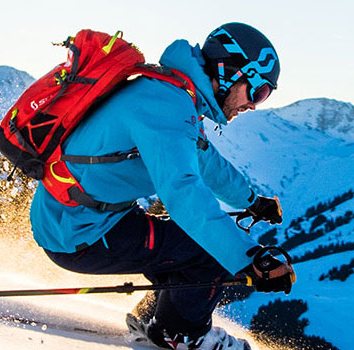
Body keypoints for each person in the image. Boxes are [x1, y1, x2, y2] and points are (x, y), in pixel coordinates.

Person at [26, 22, 292, 350]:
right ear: (228, 73)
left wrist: (251, 201)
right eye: (258, 91)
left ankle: (153, 321)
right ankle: (181, 335)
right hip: (80, 232)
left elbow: (203, 159)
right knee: (208, 254)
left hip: (79, 216)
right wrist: (247, 256)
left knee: (183, 245)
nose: (253, 104)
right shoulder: (168, 107)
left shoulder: (171, 94)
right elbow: (182, 191)